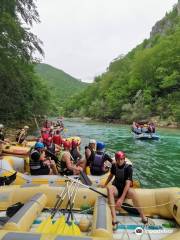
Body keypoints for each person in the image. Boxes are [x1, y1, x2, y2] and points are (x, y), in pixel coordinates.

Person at [102, 151, 147, 230]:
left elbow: (128, 184)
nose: (120, 161)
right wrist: (105, 184)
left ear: (124, 159)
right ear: (116, 159)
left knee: (133, 193)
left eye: (122, 159)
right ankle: (114, 218)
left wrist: (121, 199)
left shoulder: (128, 168)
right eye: (118, 159)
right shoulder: (114, 166)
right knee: (109, 188)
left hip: (125, 189)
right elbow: (111, 175)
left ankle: (142, 215)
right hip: (116, 188)